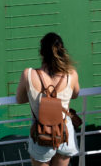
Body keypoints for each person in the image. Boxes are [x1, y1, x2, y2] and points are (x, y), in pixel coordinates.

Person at [15, 32, 80, 166]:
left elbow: (20, 99)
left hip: (42, 134)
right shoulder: (71, 74)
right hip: (64, 133)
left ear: (41, 52)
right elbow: (75, 94)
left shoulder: (28, 74)